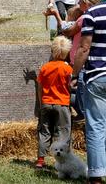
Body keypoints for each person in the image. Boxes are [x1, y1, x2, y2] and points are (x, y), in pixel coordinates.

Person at [71, 0, 106, 184]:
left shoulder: (94, 13)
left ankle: (95, 176)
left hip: (98, 76)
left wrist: (74, 75)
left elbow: (83, 49)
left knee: (96, 126)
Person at [46, 0, 101, 122]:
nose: (78, 3)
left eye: (80, 1)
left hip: (80, 62)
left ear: (86, 3)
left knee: (75, 89)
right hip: (91, 62)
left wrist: (56, 15)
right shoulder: (96, 16)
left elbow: (67, 30)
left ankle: (83, 115)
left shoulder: (84, 18)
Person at [35, 36, 72, 169]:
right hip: (62, 104)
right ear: (67, 52)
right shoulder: (68, 69)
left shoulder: (44, 68)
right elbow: (69, 86)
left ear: (52, 50)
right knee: (63, 131)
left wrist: (41, 103)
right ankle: (64, 161)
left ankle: (40, 160)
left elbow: (39, 87)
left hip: (46, 102)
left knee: (44, 131)